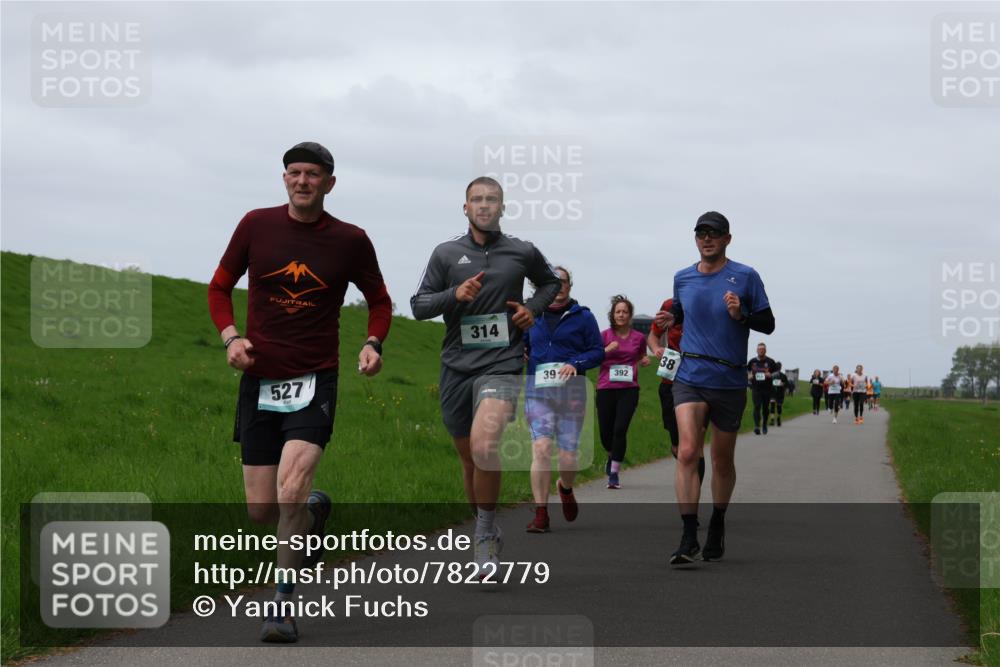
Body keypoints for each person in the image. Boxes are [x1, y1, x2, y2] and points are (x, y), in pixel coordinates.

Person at [208, 142, 392, 642]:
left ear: (329, 183)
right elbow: (219, 287)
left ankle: (282, 605)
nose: (303, 181)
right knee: (260, 510)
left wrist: (373, 343)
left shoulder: (350, 240)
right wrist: (232, 338)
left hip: (315, 379)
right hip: (259, 379)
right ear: (284, 179)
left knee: (288, 490)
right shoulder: (255, 225)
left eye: (313, 174)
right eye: (294, 173)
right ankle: (314, 512)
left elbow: (379, 301)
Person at [410, 176, 560, 578]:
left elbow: (551, 283)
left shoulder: (522, 251)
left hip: (503, 362)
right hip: (457, 366)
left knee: (484, 445)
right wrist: (452, 296)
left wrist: (533, 309)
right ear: (465, 208)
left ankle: (484, 535)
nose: (484, 205)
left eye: (492, 199)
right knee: (468, 460)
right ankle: (485, 524)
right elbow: (419, 306)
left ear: (502, 207)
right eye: (476, 199)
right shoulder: (446, 253)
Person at [656, 211, 775, 566]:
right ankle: (688, 534)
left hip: (729, 380)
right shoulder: (683, 277)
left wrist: (742, 316)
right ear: (695, 239)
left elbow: (768, 324)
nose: (707, 238)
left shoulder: (746, 277)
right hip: (690, 375)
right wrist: (669, 319)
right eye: (701, 233)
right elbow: (681, 311)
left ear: (727, 239)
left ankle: (718, 522)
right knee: (689, 452)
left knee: (722, 461)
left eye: (714, 233)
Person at [523, 266, 604, 532]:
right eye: (552, 283)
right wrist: (522, 354)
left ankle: (565, 487)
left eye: (563, 283)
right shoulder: (530, 314)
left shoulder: (583, 317)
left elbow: (597, 351)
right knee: (542, 449)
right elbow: (519, 343)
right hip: (538, 391)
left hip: (571, 392)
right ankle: (541, 513)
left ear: (570, 286)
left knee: (568, 456)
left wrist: (575, 363)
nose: (558, 288)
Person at [648, 297, 705, 485]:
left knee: (694, 442)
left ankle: (692, 487)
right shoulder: (668, 305)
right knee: (677, 445)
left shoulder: (706, 303)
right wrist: (656, 348)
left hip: (699, 378)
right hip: (670, 377)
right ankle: (687, 470)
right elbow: (653, 335)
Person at [596, 295, 651, 489]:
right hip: (605, 388)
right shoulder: (603, 336)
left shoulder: (638, 337)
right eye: (618, 311)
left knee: (620, 430)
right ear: (613, 314)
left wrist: (645, 360)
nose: (621, 315)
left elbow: (642, 354)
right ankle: (611, 455)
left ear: (630, 315)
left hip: (629, 389)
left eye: (624, 312)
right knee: (605, 433)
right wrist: (606, 350)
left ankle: (614, 474)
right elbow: (594, 357)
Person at [746, 342, 777, 435]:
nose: (761, 351)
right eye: (759, 349)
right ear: (756, 350)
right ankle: (756, 426)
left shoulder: (770, 361)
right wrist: (749, 375)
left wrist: (771, 375)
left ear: (765, 350)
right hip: (756, 388)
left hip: (767, 388)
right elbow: (747, 371)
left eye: (762, 349)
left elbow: (777, 373)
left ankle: (764, 424)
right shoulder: (752, 361)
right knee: (757, 407)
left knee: (765, 408)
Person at [769, 361, 788, 427]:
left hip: (778, 393)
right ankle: (774, 419)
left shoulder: (783, 376)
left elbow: (786, 384)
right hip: (773, 392)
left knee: (775, 406)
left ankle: (776, 418)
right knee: (774, 406)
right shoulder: (772, 375)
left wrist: (782, 384)